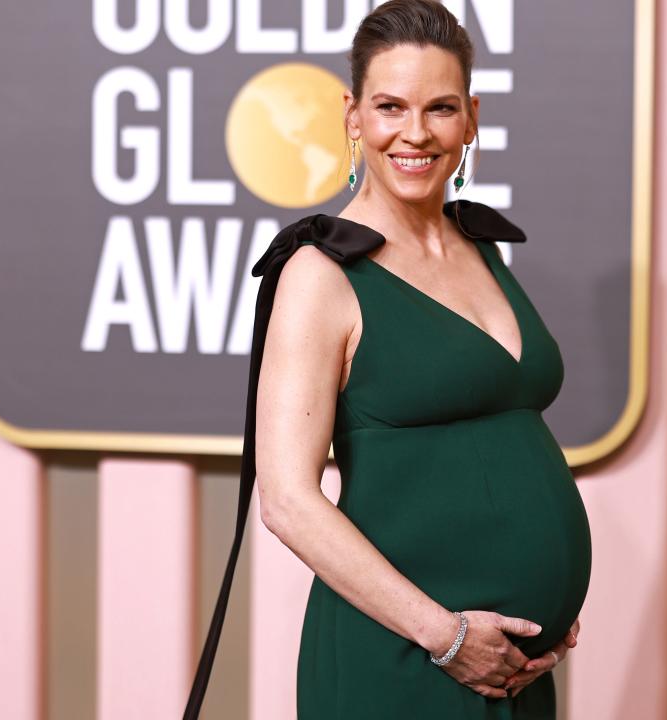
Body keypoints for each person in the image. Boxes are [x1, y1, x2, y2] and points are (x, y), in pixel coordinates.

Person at [184, 1, 591, 718]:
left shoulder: (481, 247)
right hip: (405, 659)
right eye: (390, 106)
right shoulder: (321, 274)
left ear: (472, 116)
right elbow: (287, 500)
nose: (415, 132)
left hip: (511, 666)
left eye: (439, 108)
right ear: (352, 114)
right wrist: (447, 636)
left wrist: (545, 609)